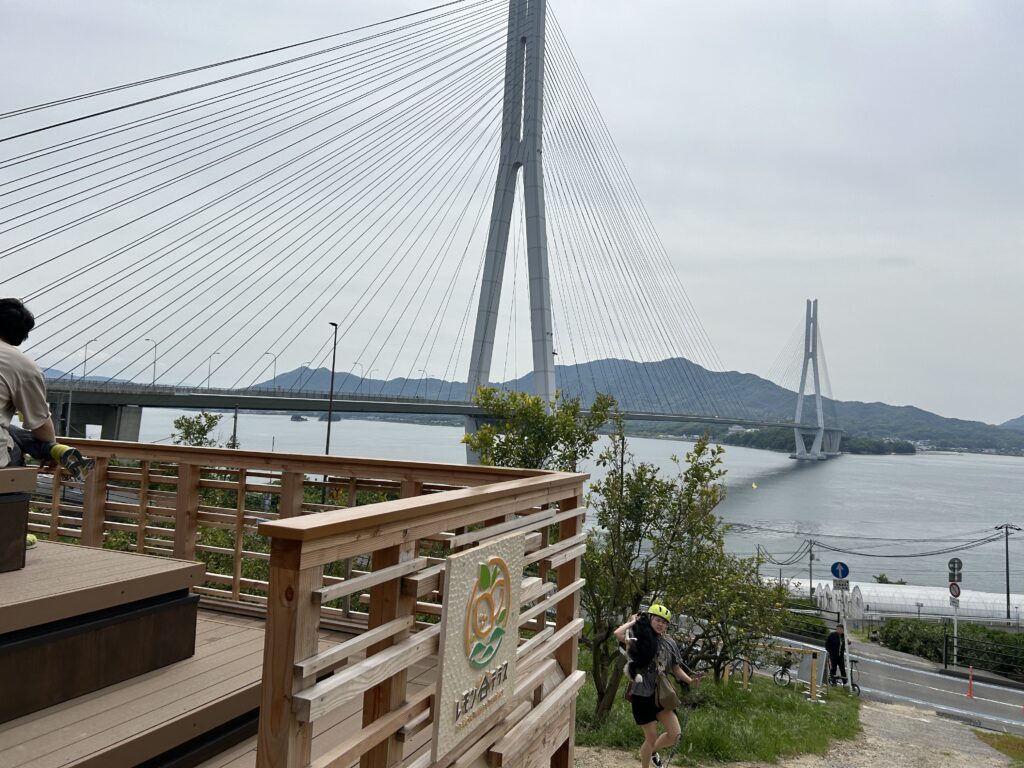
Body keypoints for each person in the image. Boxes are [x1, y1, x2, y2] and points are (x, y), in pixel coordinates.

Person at [0, 298, 94, 480]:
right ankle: (52, 450)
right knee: (15, 460)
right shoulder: (22, 365)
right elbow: (40, 424)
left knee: (8, 428)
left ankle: (51, 449)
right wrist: (50, 446)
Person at [614, 604, 698, 768]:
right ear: (650, 619)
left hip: (661, 694)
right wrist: (634, 621)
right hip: (641, 694)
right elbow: (618, 634)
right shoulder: (638, 638)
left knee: (675, 735)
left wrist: (690, 681)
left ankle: (653, 752)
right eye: (658, 620)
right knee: (650, 738)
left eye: (665, 622)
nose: (661, 624)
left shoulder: (669, 643)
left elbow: (675, 667)